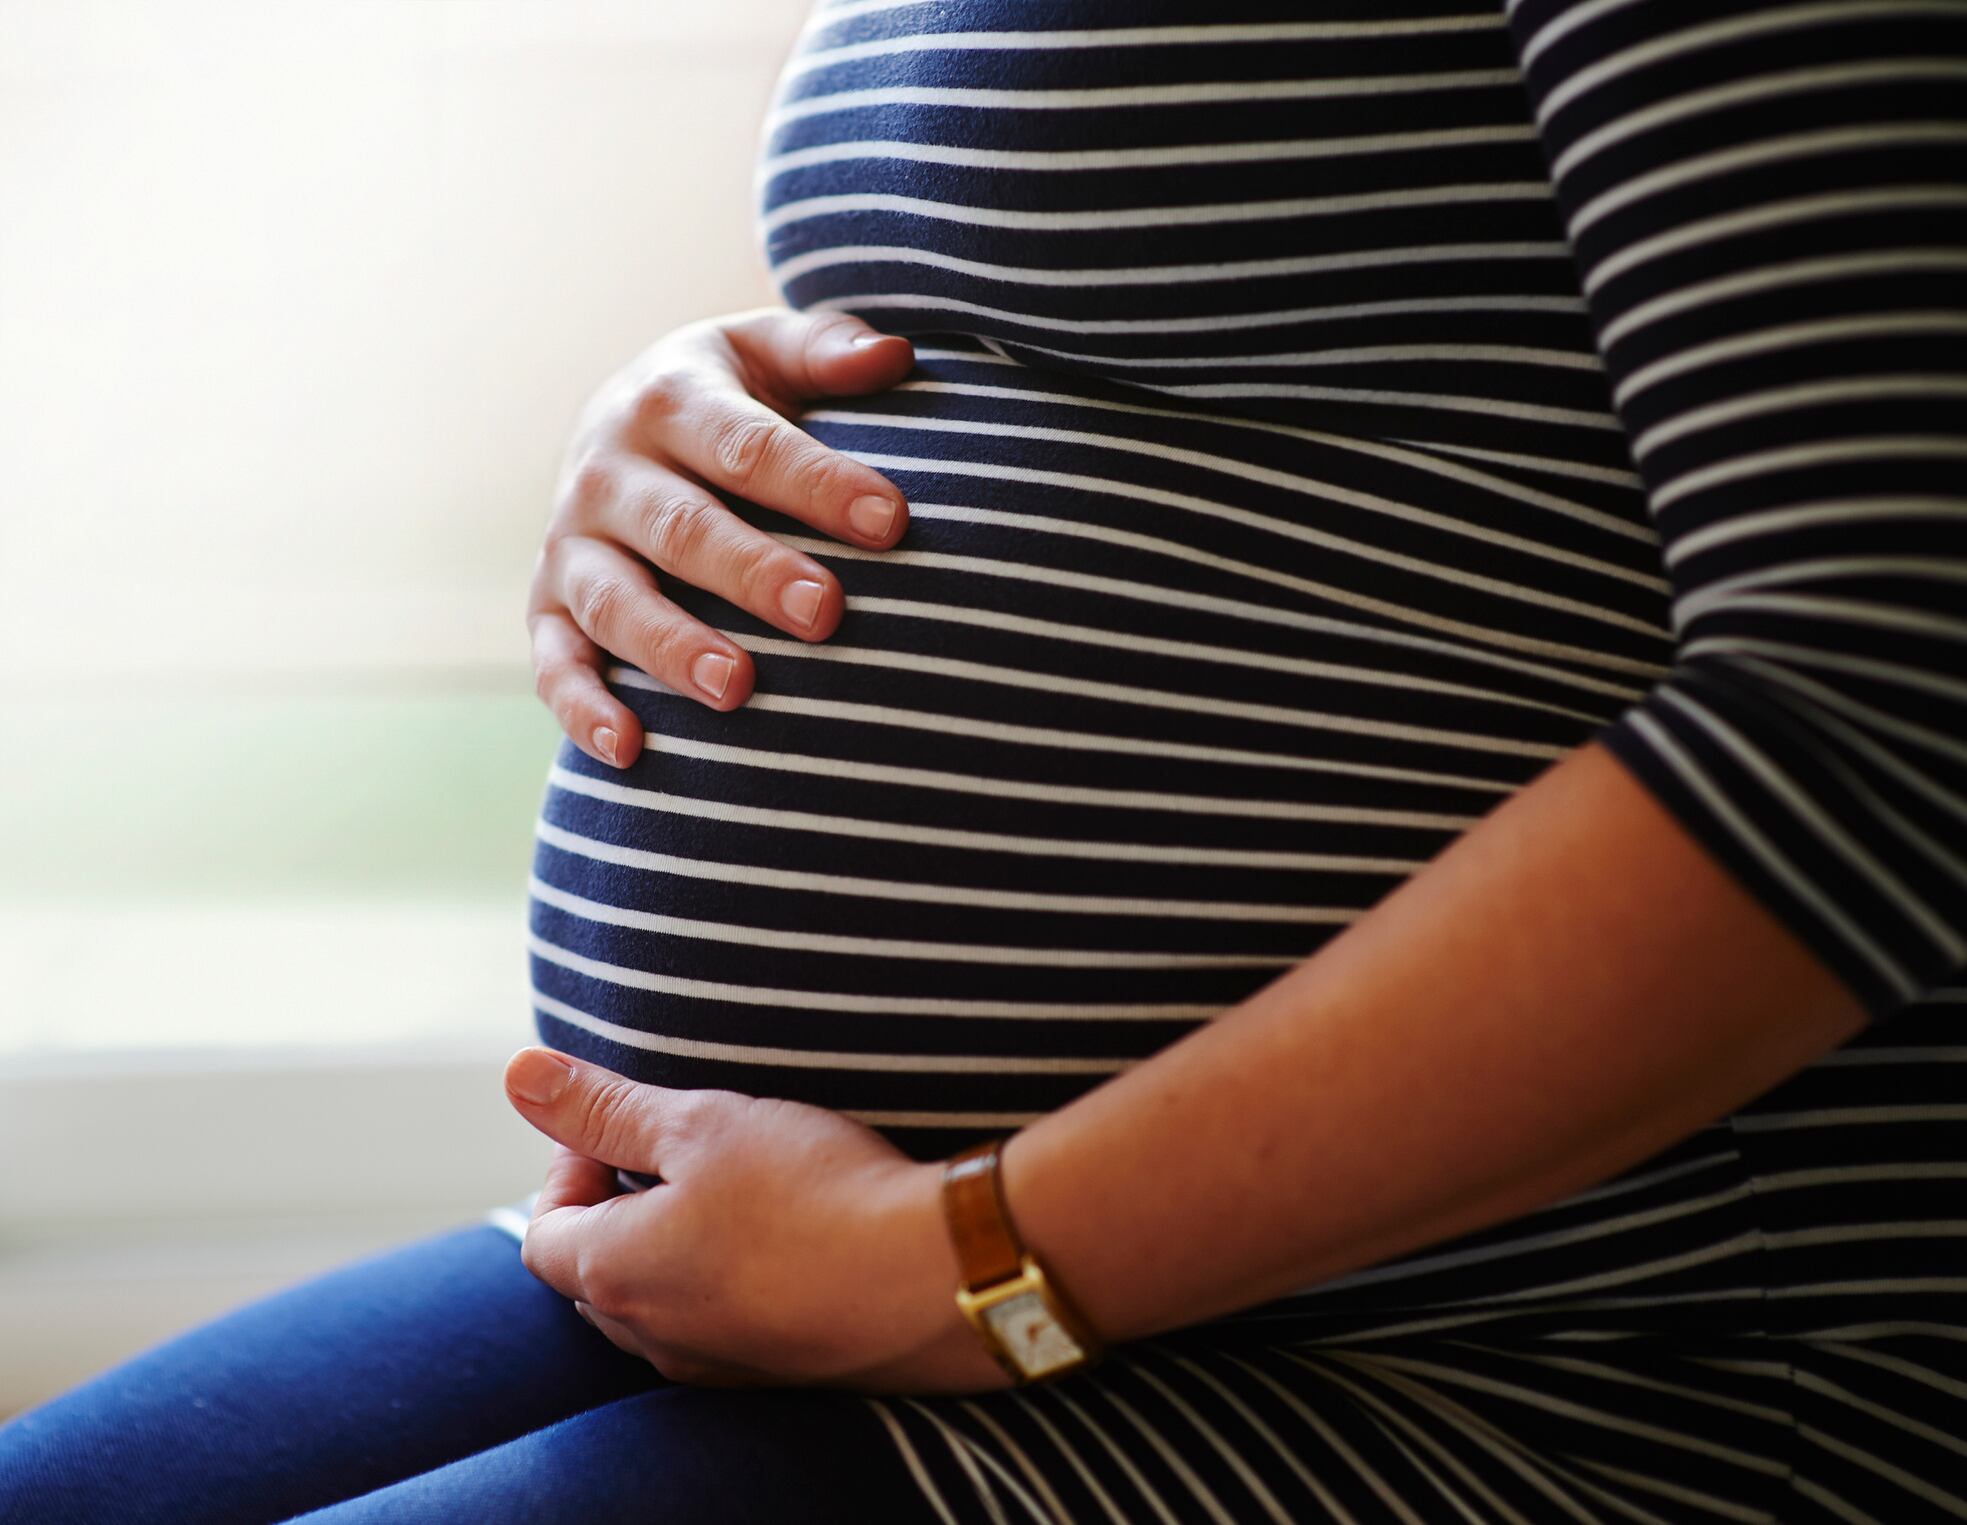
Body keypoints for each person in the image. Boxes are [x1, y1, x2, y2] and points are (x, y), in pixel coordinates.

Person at [5, 1, 1964, 1520]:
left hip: (1572, 1357)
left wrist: (974, 1265)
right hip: (915, 1269)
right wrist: (687, 426)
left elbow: (1887, 700)